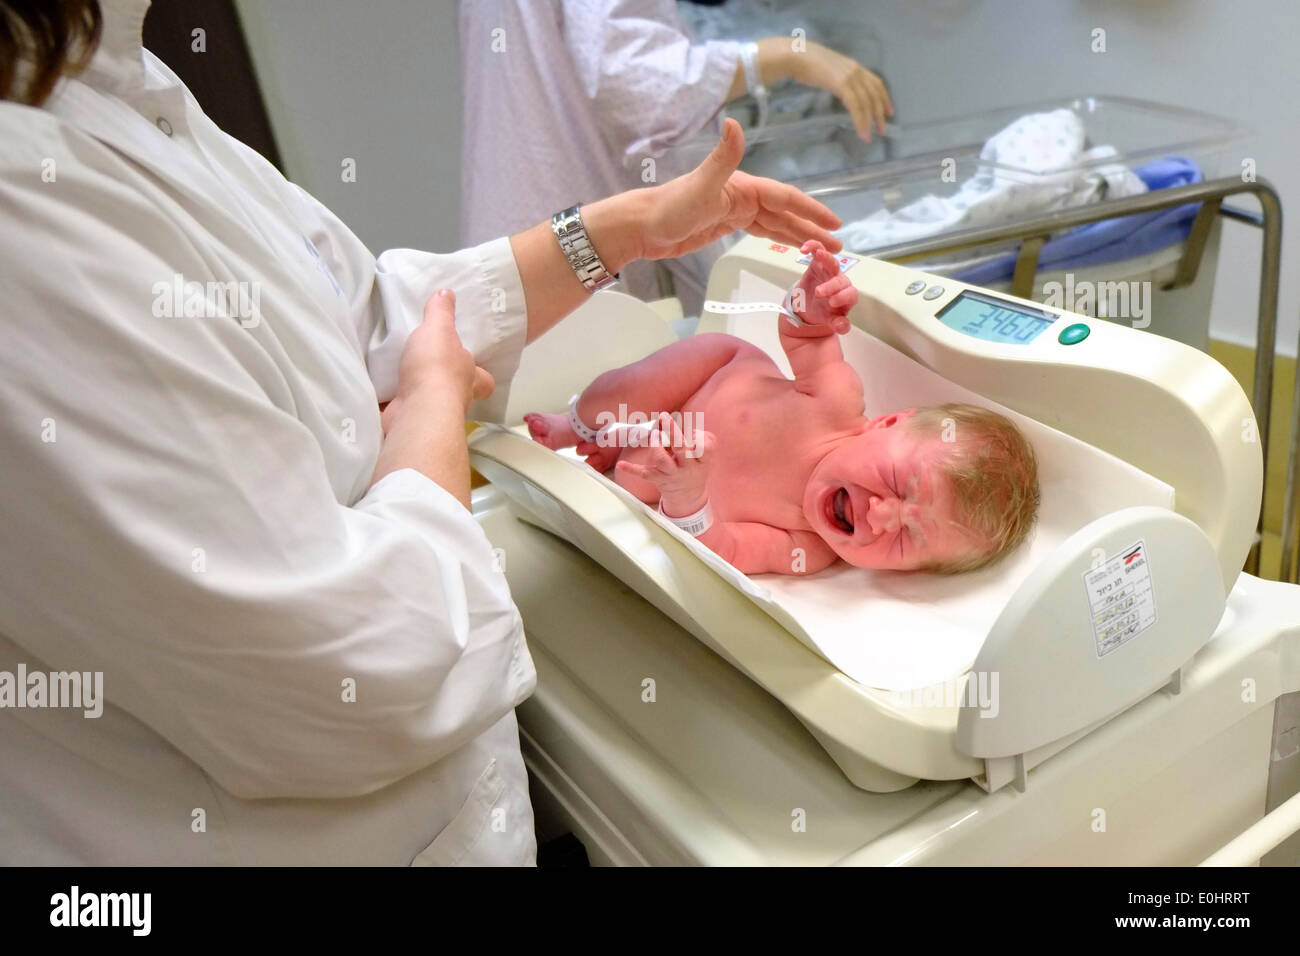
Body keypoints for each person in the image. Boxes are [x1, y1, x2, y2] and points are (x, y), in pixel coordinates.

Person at [0, 0, 842, 865]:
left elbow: (360, 318)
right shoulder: (24, 198)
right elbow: (339, 674)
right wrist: (436, 409)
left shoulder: (114, 78)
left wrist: (618, 232)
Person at [525, 241, 1040, 575]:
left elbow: (723, 549)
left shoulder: (805, 548)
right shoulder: (836, 404)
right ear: (885, 423)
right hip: (706, 376)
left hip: (656, 476)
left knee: (632, 489)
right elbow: (805, 335)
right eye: (899, 484)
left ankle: (611, 456)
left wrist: (687, 495)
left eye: (908, 537)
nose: (879, 514)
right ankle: (577, 427)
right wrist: (810, 304)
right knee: (624, 391)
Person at [458, 0, 893, 301]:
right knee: (582, 410)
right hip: (573, 255)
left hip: (514, 236)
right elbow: (639, 88)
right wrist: (786, 55)